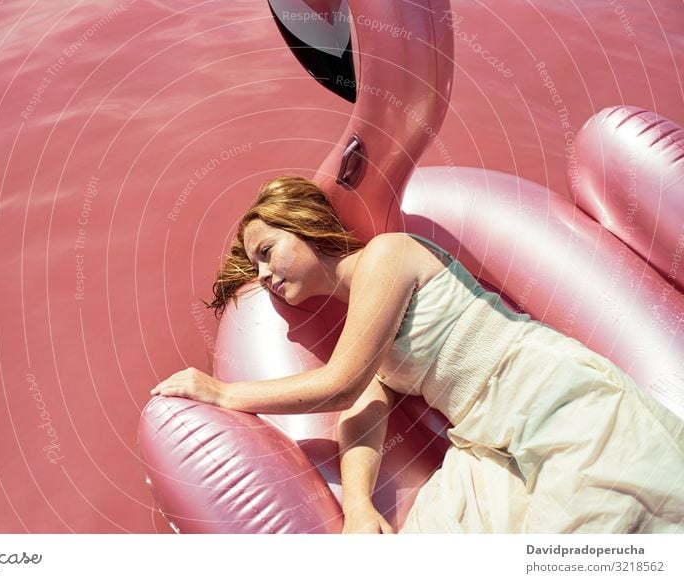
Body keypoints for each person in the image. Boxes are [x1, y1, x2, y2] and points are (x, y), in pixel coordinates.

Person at [150, 176, 684, 533]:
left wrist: (221, 393)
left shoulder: (387, 254)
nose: (265, 276)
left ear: (303, 224)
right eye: (256, 268)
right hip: (496, 442)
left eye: (267, 252)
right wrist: (357, 504)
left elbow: (341, 386)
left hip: (552, 397)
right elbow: (361, 413)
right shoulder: (369, 342)